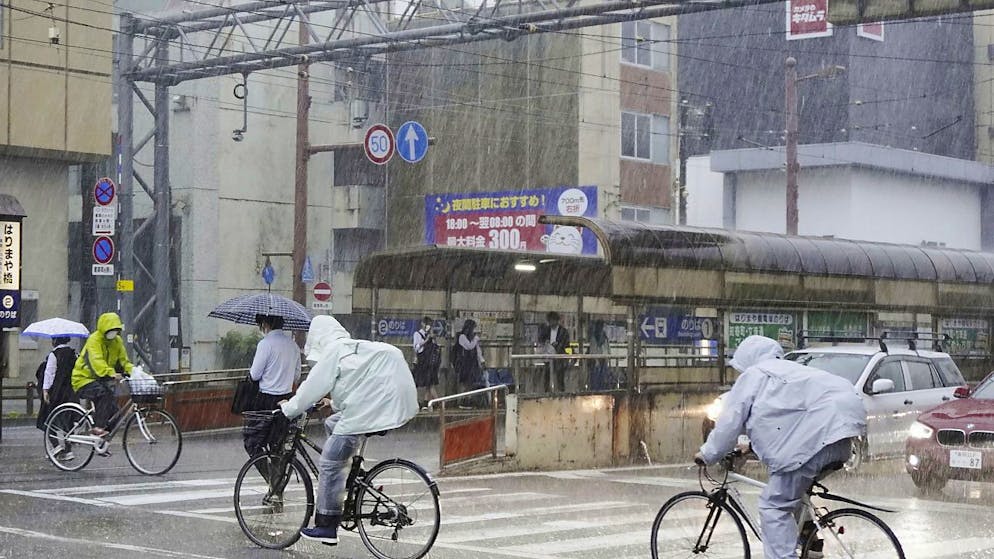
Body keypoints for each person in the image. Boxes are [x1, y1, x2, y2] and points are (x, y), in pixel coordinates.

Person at [695, 335, 867, 559]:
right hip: (841, 439)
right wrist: (751, 448)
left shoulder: (754, 375)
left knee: (774, 507)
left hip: (815, 441)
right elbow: (784, 419)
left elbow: (730, 422)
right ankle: (810, 543)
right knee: (792, 494)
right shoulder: (792, 372)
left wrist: (707, 454)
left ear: (748, 360)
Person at [279, 315, 418, 545]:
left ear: (318, 337)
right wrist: (332, 404)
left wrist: (288, 409)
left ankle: (327, 526)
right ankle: (357, 476)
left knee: (330, 462)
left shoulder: (334, 351)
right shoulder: (351, 348)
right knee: (332, 423)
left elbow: (311, 387)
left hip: (373, 407)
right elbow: (359, 384)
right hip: (390, 398)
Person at [242, 314, 302, 462]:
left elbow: (255, 375)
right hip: (286, 400)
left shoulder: (265, 344)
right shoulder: (293, 345)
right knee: (278, 445)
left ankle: (268, 475)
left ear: (265, 324)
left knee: (252, 443)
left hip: (266, 401)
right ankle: (278, 478)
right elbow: (297, 376)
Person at [71, 313, 134, 445]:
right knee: (103, 395)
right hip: (83, 379)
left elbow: (124, 361)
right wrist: (111, 373)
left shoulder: (117, 342)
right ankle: (98, 428)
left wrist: (134, 372)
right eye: (110, 330)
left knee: (116, 414)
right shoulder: (94, 340)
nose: (113, 333)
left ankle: (101, 443)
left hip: (100, 379)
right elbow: (96, 361)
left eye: (115, 330)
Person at [35, 336, 78, 431]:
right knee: (68, 418)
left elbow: (49, 373)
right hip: (70, 390)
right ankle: (68, 442)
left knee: (51, 418)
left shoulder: (54, 354)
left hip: (57, 390)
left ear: (55, 341)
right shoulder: (73, 354)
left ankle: (56, 444)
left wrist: (45, 390)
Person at [412, 316, 441, 409]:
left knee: (429, 383)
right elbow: (416, 348)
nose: (429, 327)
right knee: (428, 383)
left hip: (431, 363)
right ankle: (437, 403)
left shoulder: (431, 334)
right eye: (428, 324)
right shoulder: (417, 334)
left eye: (430, 325)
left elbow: (435, 348)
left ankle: (426, 402)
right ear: (423, 324)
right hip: (423, 362)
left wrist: (433, 338)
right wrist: (426, 340)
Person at [538, 311, 570, 391]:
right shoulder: (546, 330)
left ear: (557, 320)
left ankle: (561, 392)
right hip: (548, 356)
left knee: (560, 376)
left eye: (553, 320)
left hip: (559, 357)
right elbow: (541, 339)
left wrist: (558, 345)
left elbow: (566, 343)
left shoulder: (563, 331)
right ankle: (547, 392)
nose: (551, 322)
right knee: (547, 375)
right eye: (550, 320)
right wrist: (546, 342)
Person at [454, 319, 485, 395]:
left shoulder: (472, 338)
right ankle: (462, 399)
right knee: (464, 382)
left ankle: (468, 399)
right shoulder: (462, 337)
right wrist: (476, 338)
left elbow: (478, 350)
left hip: (472, 363)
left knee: (470, 382)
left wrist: (482, 361)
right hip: (464, 363)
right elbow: (469, 346)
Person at [587, 320, 612, 391]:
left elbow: (607, 349)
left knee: (602, 379)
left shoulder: (604, 337)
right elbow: (593, 350)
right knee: (596, 379)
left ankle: (600, 391)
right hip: (596, 361)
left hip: (602, 361)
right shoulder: (594, 337)